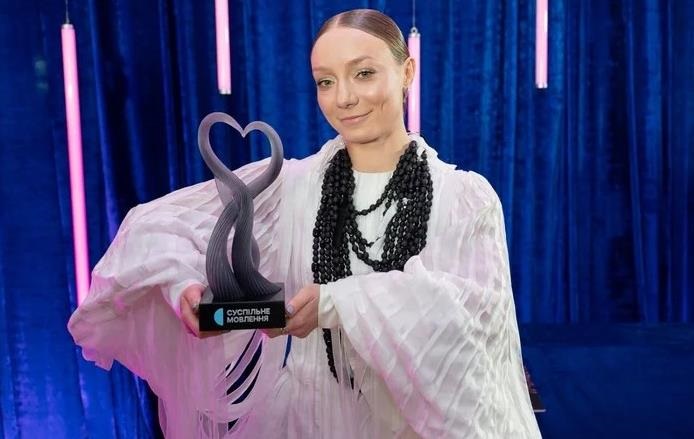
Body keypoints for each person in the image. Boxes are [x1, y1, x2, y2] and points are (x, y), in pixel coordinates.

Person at [68, 8, 542, 439]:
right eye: (325, 81)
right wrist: (183, 289)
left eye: (364, 73)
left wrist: (336, 303)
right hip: (309, 420)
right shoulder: (293, 188)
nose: (345, 98)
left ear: (407, 71)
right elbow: (156, 230)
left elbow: (467, 320)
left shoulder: (464, 198)